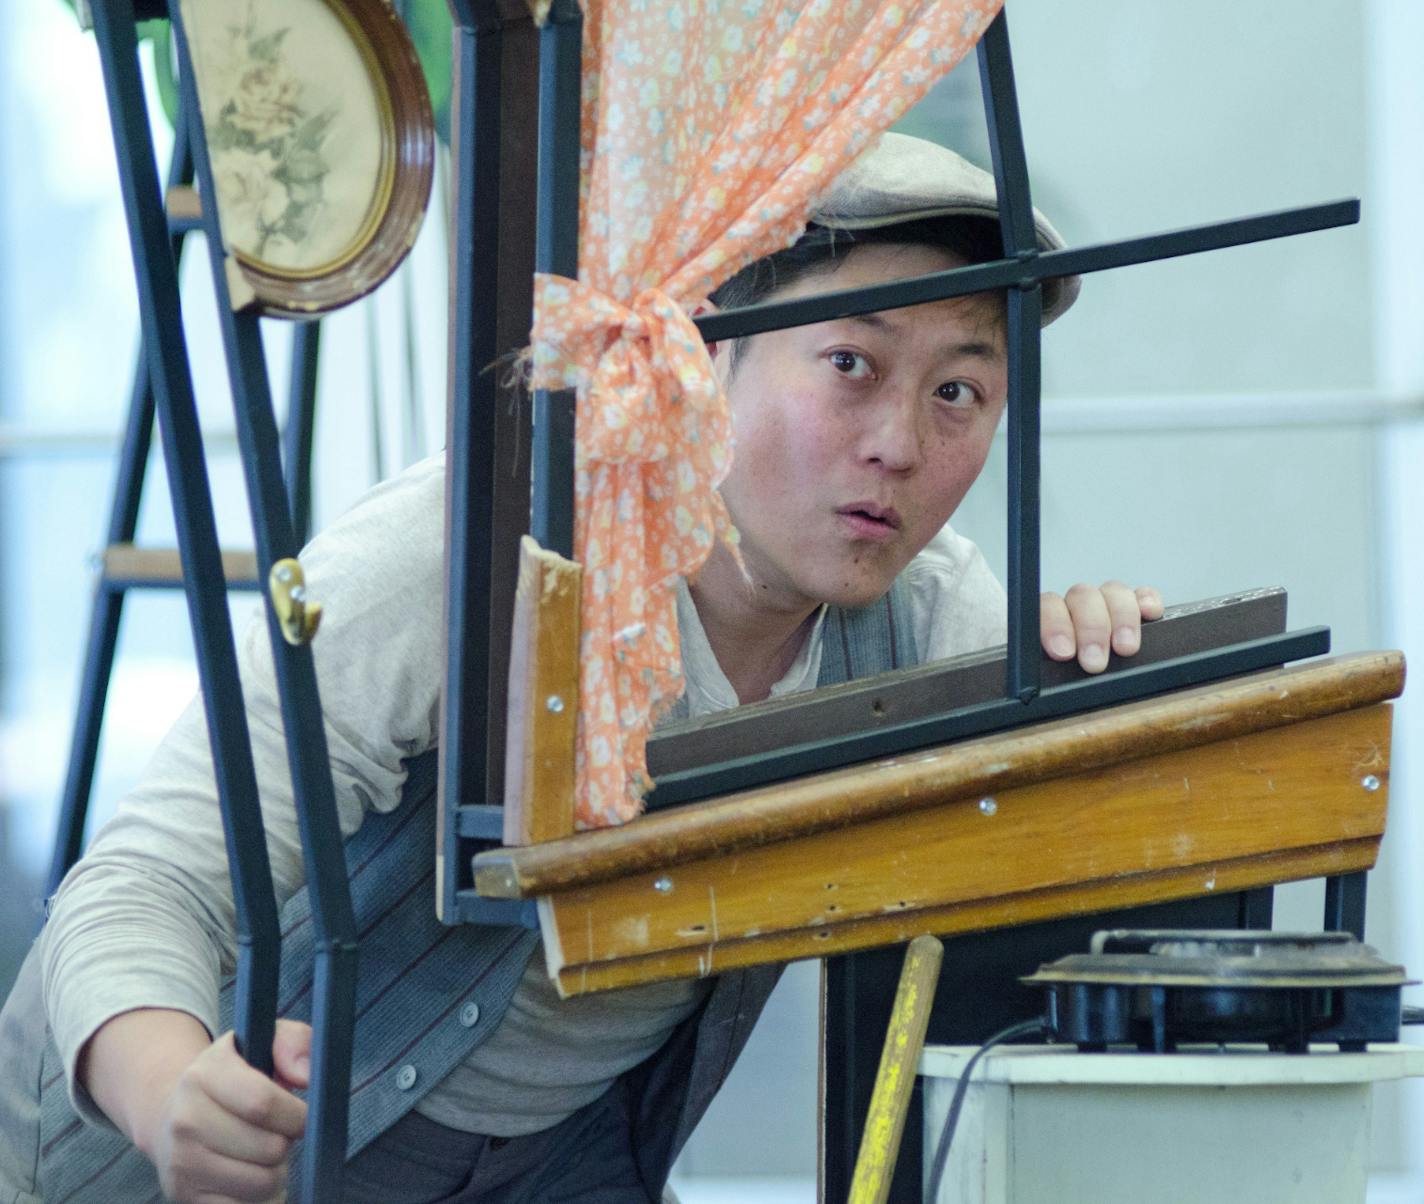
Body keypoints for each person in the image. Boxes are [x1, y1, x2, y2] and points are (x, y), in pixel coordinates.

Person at [0, 132, 1160, 1202]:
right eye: (850, 363)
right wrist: (169, 1095)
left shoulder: (931, 618)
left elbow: (1103, 829)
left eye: (957, 391)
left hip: (566, 1160)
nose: (900, 443)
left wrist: (1090, 656)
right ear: (705, 356)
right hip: (209, 1158)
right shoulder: (470, 547)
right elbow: (144, 882)